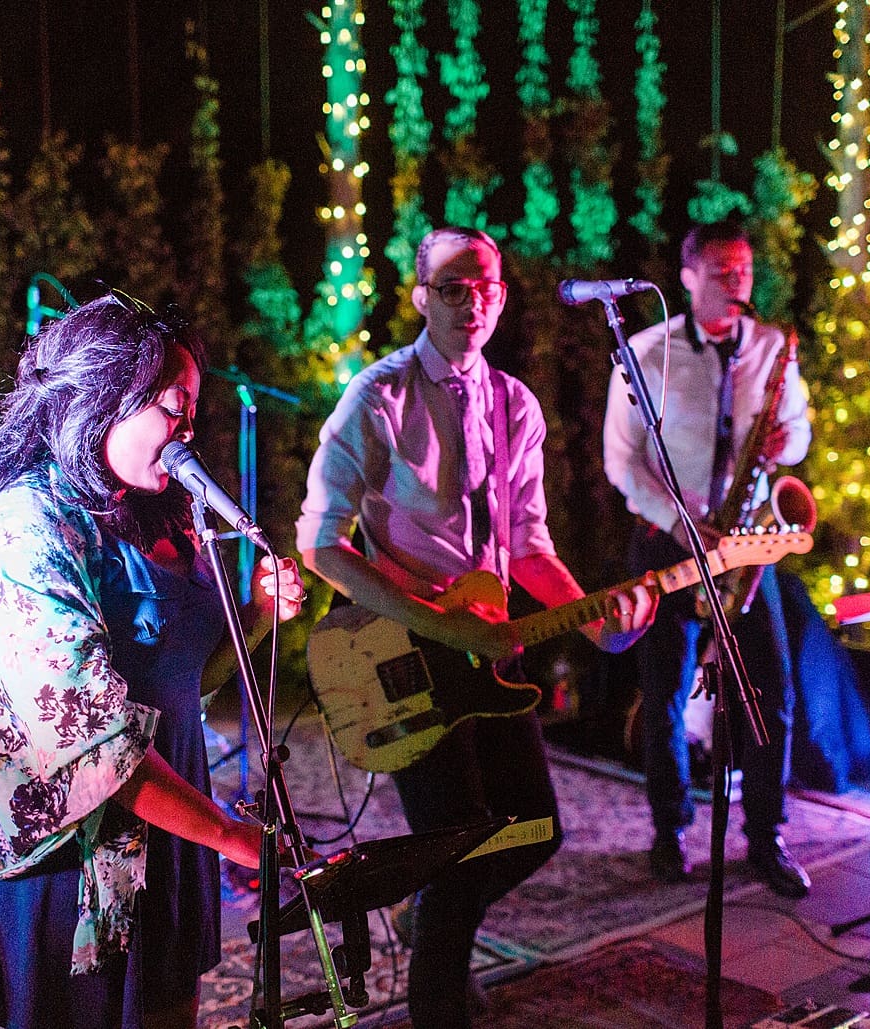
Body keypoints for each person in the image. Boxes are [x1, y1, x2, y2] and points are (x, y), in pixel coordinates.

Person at [297, 226, 658, 1029]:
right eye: (454, 287)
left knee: (532, 831)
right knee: (456, 845)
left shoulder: (513, 404)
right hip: (402, 643)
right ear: (420, 296)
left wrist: (595, 621)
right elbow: (318, 543)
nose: (474, 302)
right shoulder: (378, 395)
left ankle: (432, 925)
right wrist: (440, 622)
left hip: (487, 645)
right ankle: (437, 1002)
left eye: (487, 286)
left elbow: (528, 545)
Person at [0, 295, 306, 1029]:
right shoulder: (23, 530)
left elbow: (183, 682)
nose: (188, 429)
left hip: (168, 822)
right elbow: (94, 746)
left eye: (194, 408)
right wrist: (232, 836)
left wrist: (258, 618)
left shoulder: (150, 507)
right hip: (65, 863)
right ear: (101, 402)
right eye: (171, 407)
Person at [600, 219, 813, 898]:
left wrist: (787, 442)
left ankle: (764, 834)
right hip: (671, 541)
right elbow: (621, 461)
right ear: (687, 277)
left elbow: (801, 432)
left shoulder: (774, 348)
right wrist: (683, 521)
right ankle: (669, 832)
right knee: (664, 695)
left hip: (746, 541)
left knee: (771, 693)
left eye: (744, 269)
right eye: (721, 269)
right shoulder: (644, 350)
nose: (736, 281)